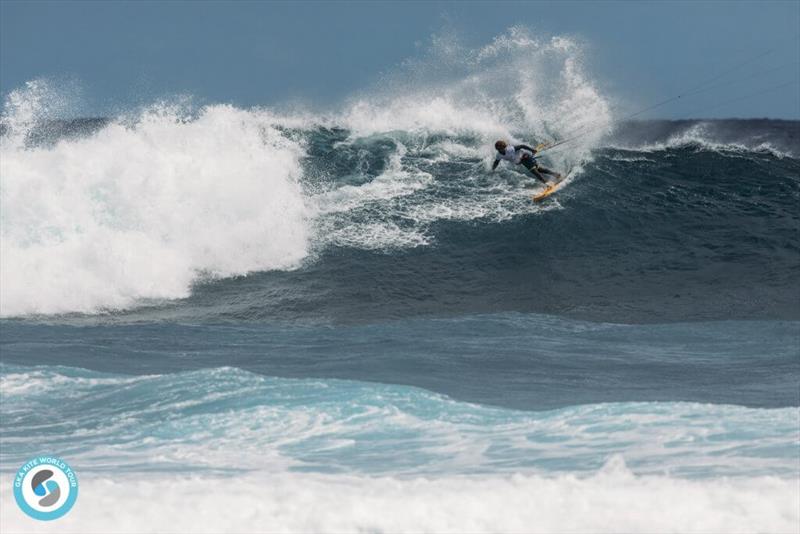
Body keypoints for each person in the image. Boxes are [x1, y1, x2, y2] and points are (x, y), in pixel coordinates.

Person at [491, 140, 561, 184]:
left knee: (534, 171)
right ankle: (556, 174)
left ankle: (547, 183)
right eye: (499, 149)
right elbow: (496, 162)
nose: (500, 150)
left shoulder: (510, 149)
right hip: (522, 161)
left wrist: (532, 150)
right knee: (539, 169)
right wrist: (493, 169)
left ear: (504, 147)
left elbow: (522, 146)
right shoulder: (499, 155)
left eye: (502, 149)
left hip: (525, 157)